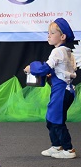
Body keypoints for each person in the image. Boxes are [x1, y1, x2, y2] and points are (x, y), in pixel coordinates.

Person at [24, 18, 77, 159]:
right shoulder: (68, 52)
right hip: (65, 90)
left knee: (56, 120)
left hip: (61, 91)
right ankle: (56, 145)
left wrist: (31, 68)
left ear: (62, 36)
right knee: (51, 118)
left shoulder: (57, 51)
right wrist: (51, 74)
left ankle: (68, 149)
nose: (49, 36)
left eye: (52, 33)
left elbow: (44, 68)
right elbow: (64, 71)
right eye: (48, 33)